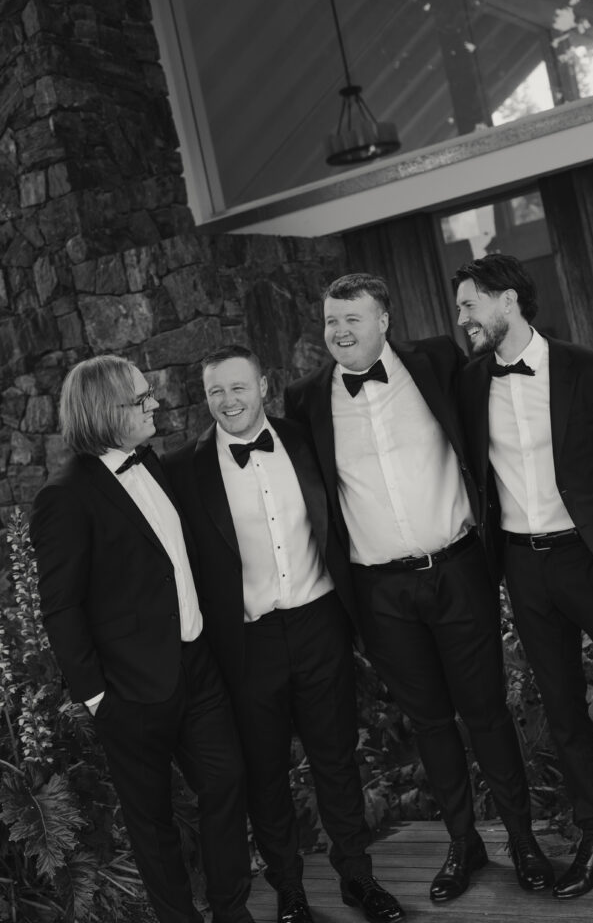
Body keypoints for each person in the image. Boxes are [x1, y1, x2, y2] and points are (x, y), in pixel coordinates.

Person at [284, 272, 553, 902]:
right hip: (380, 593)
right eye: (331, 321)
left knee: (486, 712)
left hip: (458, 571)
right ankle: (464, 843)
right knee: (430, 723)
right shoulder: (305, 399)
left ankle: (523, 839)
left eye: (352, 319)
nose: (339, 331)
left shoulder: (436, 361)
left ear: (384, 320)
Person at [453, 253, 593, 905]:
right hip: (523, 569)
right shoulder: (469, 382)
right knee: (562, 714)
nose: (462, 319)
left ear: (506, 300)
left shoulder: (588, 368)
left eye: (470, 304)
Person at [162, 346, 404, 923]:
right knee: (265, 774)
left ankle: (358, 878)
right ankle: (289, 891)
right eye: (216, 391)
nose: (228, 401)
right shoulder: (182, 469)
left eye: (238, 387)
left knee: (336, 760)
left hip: (320, 623)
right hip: (247, 643)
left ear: (264, 386)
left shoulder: (304, 439)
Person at [30, 355, 252, 923]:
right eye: (141, 399)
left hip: (196, 665)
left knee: (226, 782)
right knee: (151, 822)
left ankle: (232, 912)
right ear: (107, 411)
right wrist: (97, 697)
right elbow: (60, 607)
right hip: (129, 691)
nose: (155, 403)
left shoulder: (150, 461)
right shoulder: (65, 496)